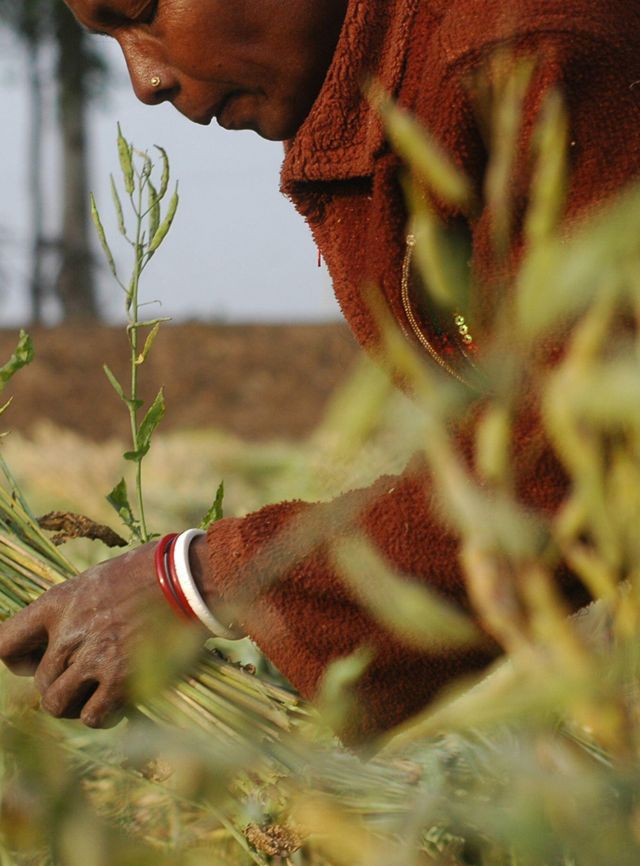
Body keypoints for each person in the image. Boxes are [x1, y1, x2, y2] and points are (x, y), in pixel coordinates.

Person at [1, 0, 638, 745]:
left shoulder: (532, 44)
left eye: (142, 11)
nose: (144, 81)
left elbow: (581, 454)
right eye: (109, 39)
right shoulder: (388, 105)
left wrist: (197, 583)